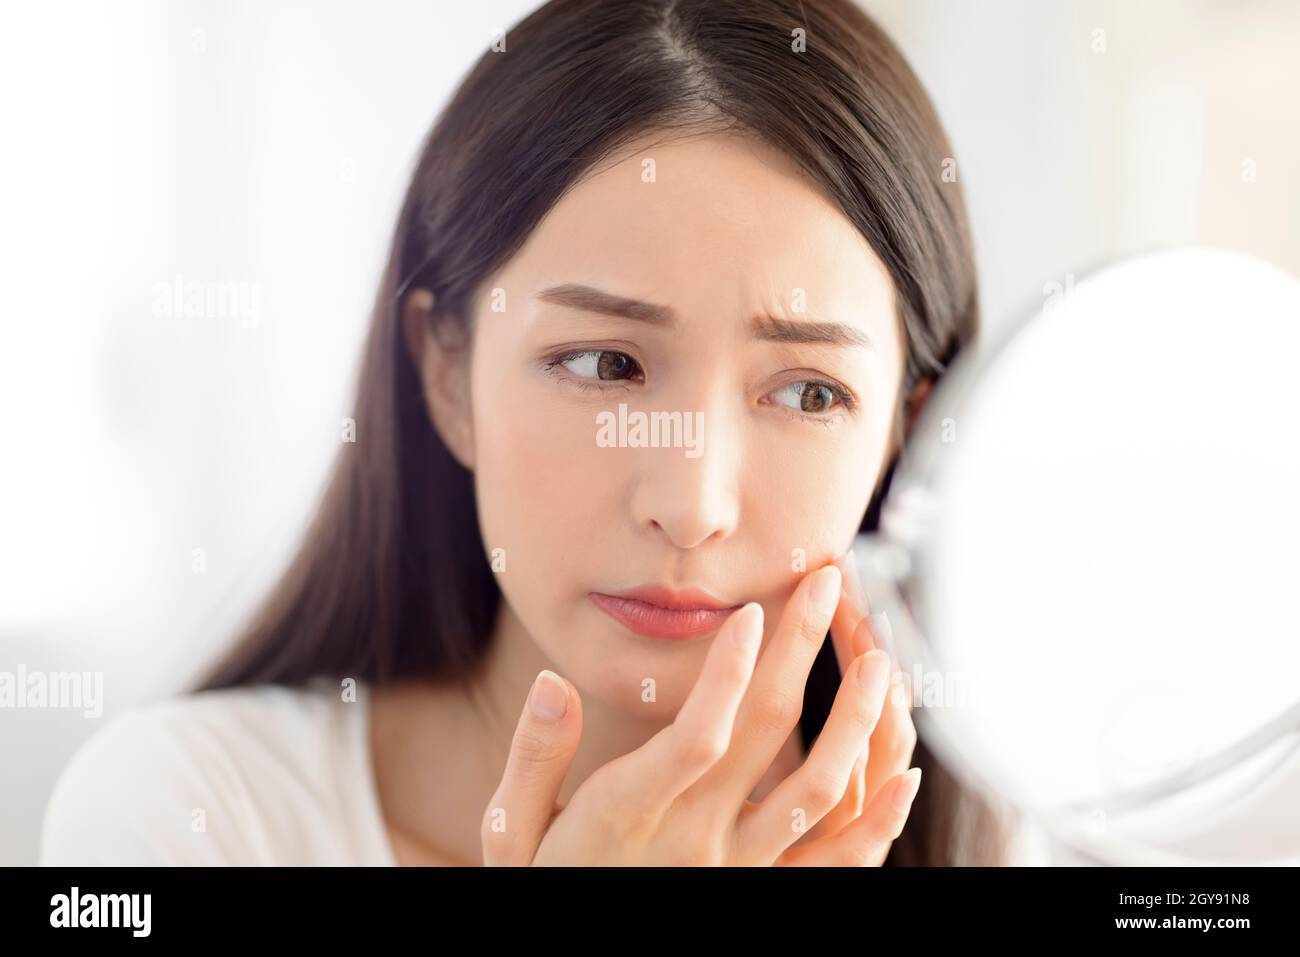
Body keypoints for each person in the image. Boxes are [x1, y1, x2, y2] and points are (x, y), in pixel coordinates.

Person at [40, 0, 1022, 866]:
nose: (690, 506)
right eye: (603, 365)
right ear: (445, 373)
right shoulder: (190, 815)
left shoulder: (1011, 839)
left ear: (915, 434)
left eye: (808, 394)